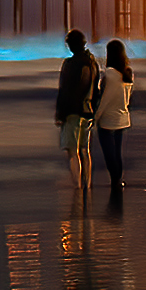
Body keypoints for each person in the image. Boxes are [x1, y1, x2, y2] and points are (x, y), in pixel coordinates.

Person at [54, 29, 99, 190]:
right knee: (85, 151)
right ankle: (87, 184)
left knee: (73, 152)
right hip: (88, 111)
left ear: (71, 45)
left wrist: (60, 113)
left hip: (73, 112)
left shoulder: (69, 64)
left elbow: (64, 91)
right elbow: (96, 90)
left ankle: (78, 186)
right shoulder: (93, 63)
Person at [94, 39, 134, 188]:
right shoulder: (127, 72)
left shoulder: (109, 74)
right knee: (117, 152)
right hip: (122, 118)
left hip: (108, 120)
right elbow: (127, 99)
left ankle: (115, 181)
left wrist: (96, 117)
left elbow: (104, 99)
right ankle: (117, 180)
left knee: (109, 153)